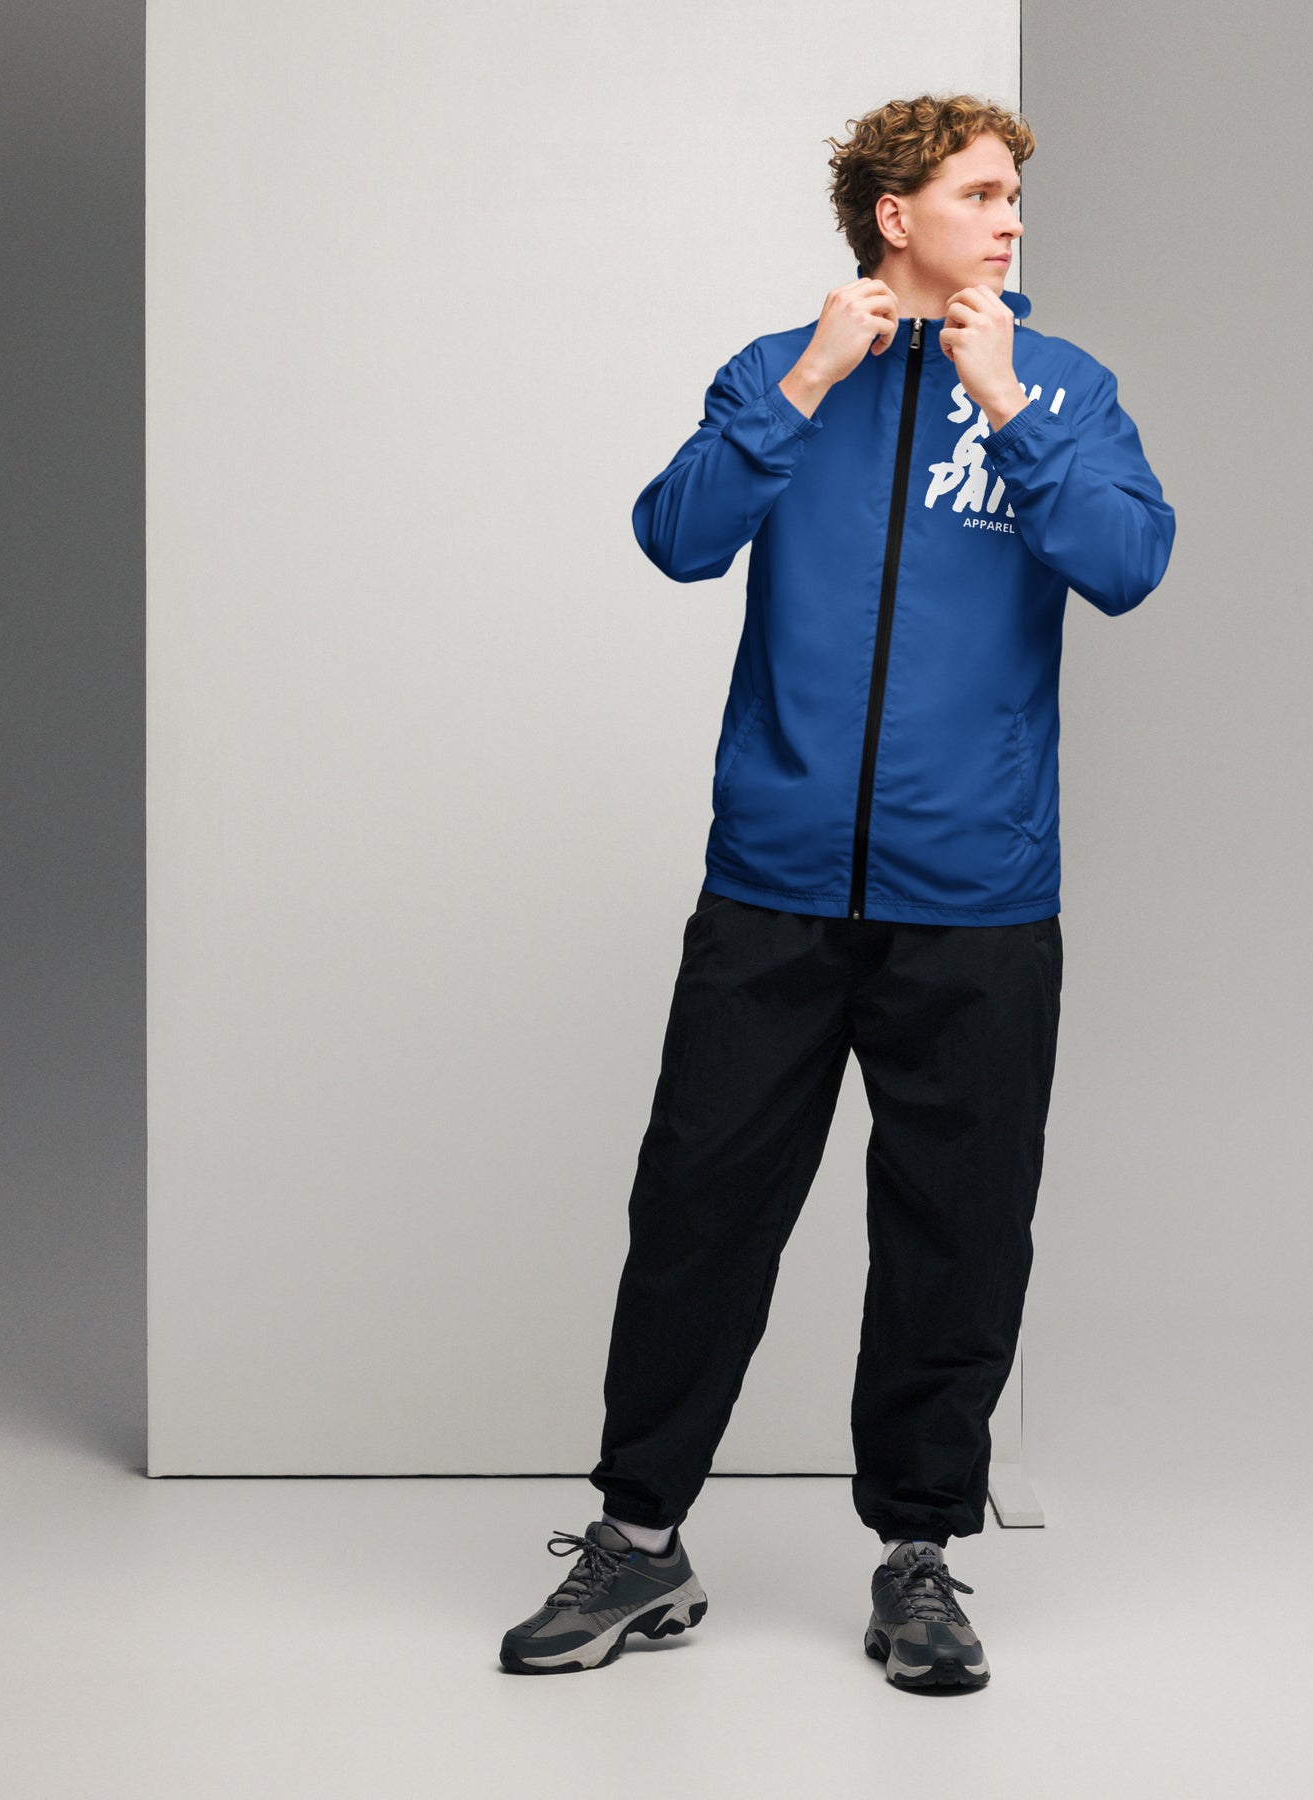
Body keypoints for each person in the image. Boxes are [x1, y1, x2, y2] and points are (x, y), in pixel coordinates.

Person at [499, 92, 1175, 1692]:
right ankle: (639, 1546)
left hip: (979, 901)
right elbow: (677, 538)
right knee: (698, 1215)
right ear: (895, 214)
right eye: (982, 194)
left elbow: (1128, 564)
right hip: (775, 890)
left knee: (957, 1235)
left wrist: (1010, 408)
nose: (1010, 221)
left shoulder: (1063, 385)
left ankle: (919, 1559)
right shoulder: (775, 370)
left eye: (1012, 197)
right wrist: (805, 384)